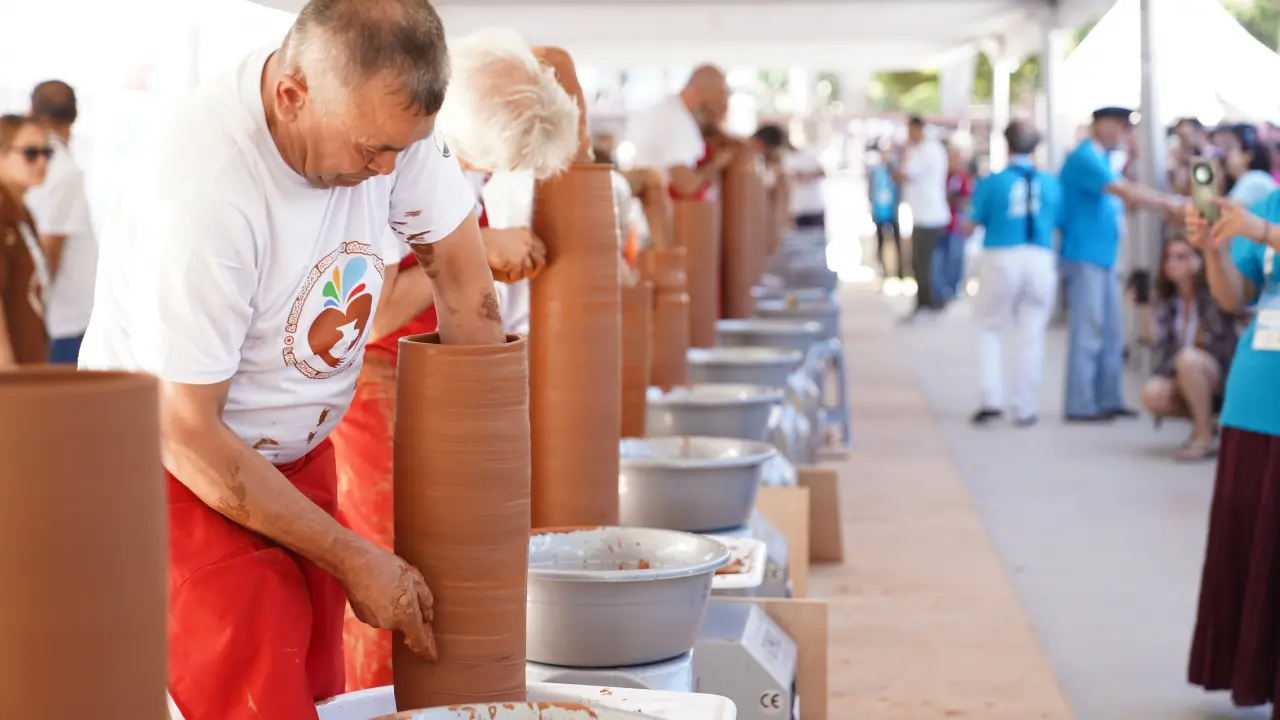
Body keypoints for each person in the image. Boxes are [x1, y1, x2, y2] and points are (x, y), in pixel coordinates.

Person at [77, 2, 514, 718]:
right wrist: (352, 556)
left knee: (316, 690)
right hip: (172, 470)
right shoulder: (203, 193)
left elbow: (466, 284)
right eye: (371, 149)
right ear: (291, 95)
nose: (387, 172)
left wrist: (484, 500)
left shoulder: (391, 131)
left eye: (404, 150)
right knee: (256, 697)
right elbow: (187, 433)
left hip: (297, 455)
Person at [324, 26, 580, 693]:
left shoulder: (454, 166)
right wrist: (479, 251)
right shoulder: (386, 165)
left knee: (443, 550)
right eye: (490, 166)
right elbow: (366, 315)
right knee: (387, 560)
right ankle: (377, 700)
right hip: (366, 377)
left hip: (427, 375)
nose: (492, 179)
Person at [1184, 190, 1280, 715]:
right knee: (1251, 542)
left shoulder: (1260, 219)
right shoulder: (1270, 203)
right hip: (1257, 391)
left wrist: (1258, 231)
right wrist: (1214, 249)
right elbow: (1233, 297)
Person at [1059, 106, 1185, 422]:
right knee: (1089, 331)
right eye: (1119, 126)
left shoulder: (1101, 158)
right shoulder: (1085, 157)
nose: (1123, 133)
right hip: (1084, 253)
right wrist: (1169, 203)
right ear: (1101, 125)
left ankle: (1107, 398)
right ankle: (1081, 403)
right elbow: (1125, 191)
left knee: (1111, 330)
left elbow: (1125, 197)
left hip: (1102, 253)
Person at [969, 121, 1061, 428]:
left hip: (1002, 254)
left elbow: (972, 221)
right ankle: (1025, 406)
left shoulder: (993, 182)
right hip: (1040, 256)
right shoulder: (1050, 183)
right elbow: (1059, 219)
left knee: (989, 326)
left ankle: (991, 399)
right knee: (1032, 331)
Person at [1138, 237, 1238, 461]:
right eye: (1168, 258)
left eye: (1182, 256)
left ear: (1198, 260)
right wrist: (1141, 306)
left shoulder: (1213, 294)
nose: (1173, 262)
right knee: (1152, 394)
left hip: (1219, 375)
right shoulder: (1167, 300)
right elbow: (1153, 340)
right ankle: (1206, 421)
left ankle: (1203, 438)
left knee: (1188, 359)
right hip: (1185, 374)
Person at [24, 81, 95, 365]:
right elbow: (46, 256)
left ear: (32, 111)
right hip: (62, 320)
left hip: (64, 317)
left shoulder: (54, 164)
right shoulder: (61, 169)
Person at [629, 64, 734, 200]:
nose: (714, 112)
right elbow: (685, 185)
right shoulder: (673, 120)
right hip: (666, 213)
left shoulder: (679, 115)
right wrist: (716, 165)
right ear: (698, 90)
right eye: (715, 101)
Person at [0, 115, 52, 366]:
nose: (42, 161)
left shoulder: (22, 213)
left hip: (30, 360)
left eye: (47, 152)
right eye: (31, 153)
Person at [895, 116, 951, 317]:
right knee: (921, 262)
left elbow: (906, 174)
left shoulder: (929, 150)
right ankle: (926, 302)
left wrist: (890, 164)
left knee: (923, 262)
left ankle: (929, 303)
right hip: (922, 214)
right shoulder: (919, 150)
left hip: (930, 215)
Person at [935, 143, 974, 303]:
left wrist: (953, 197)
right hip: (940, 224)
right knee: (940, 259)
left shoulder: (964, 178)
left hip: (956, 225)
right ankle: (940, 289)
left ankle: (953, 288)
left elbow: (966, 201)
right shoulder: (941, 177)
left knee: (956, 257)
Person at [1210, 123, 1277, 208]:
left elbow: (1228, 213)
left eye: (1230, 148)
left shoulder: (1255, 179)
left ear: (1248, 155)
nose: (1226, 155)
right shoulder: (1246, 180)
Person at [868, 144, 902, 279]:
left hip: (892, 212)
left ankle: (899, 272)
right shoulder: (875, 172)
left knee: (896, 244)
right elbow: (871, 192)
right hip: (879, 212)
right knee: (880, 243)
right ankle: (882, 271)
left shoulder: (894, 172)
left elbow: (898, 190)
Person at [784, 136, 825, 229]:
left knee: (816, 238)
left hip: (815, 207)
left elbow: (822, 172)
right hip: (797, 209)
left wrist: (805, 175)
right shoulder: (786, 159)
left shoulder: (811, 154)